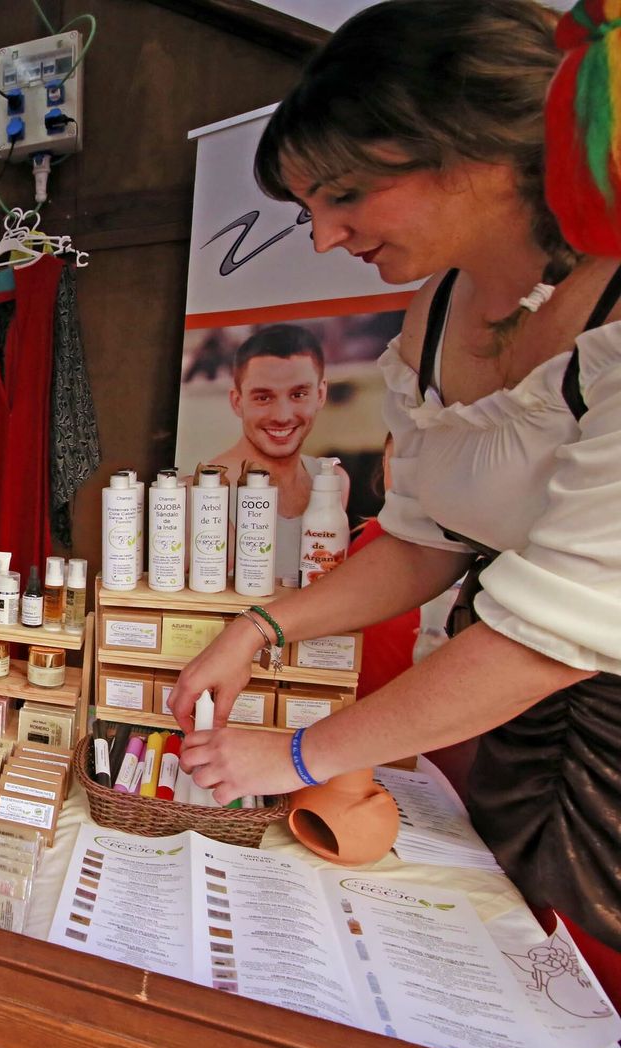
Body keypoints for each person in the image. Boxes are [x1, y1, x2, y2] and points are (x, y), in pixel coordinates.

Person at [172, 0, 621, 995]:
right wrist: (256, 625)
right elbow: (424, 541)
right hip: (504, 734)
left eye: (343, 195)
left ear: (470, 151)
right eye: (306, 210)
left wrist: (294, 752)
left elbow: (552, 634)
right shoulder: (437, 312)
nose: (326, 237)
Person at [204, 323, 348, 586]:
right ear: (237, 401)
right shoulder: (206, 491)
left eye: (298, 394)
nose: (282, 416)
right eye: (263, 398)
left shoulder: (334, 481)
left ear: (321, 393)